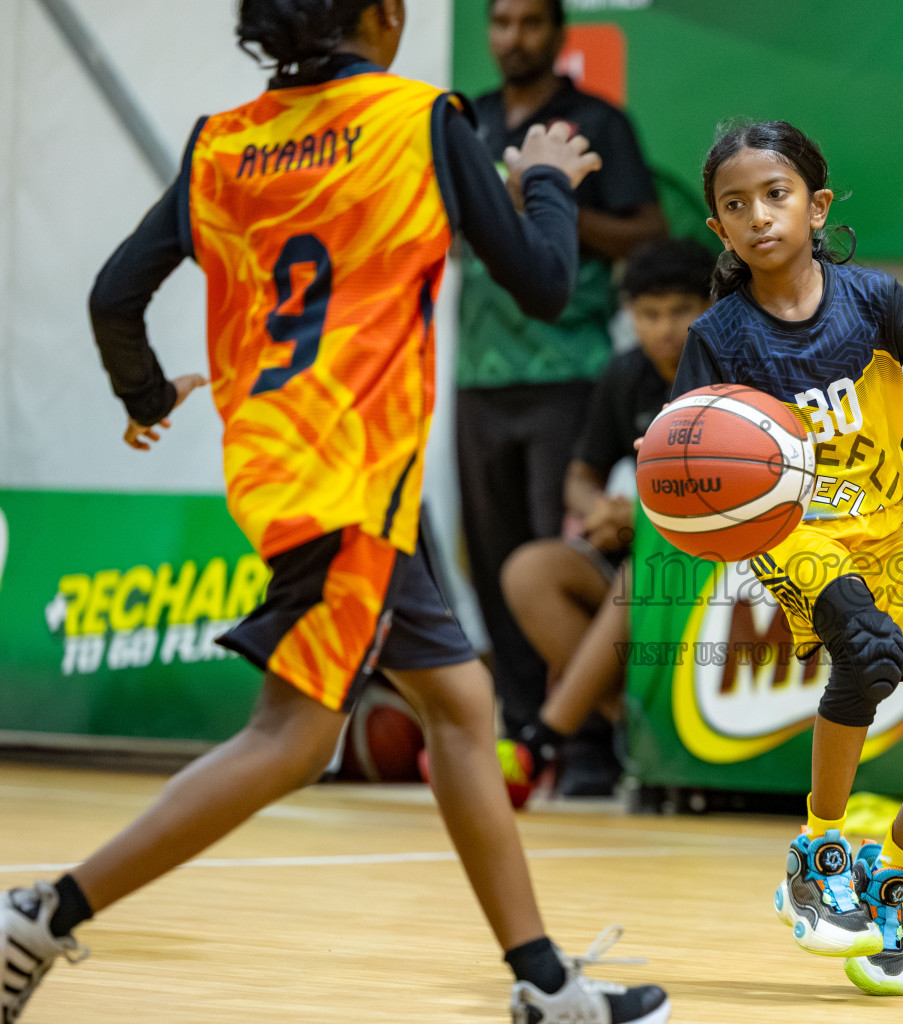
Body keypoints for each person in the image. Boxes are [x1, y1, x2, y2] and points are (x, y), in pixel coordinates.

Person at [1, 4, 669, 1023]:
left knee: (461, 707)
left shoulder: (222, 143)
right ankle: (44, 913)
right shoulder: (419, 119)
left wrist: (144, 396)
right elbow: (543, 282)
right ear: (384, 15)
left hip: (285, 471)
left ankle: (545, 985)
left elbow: (112, 297)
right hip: (352, 478)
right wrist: (546, 181)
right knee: (293, 739)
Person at [671, 121, 903, 997]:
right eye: (736, 205)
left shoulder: (870, 299)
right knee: (865, 651)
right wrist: (674, 478)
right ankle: (818, 850)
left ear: (818, 205)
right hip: (796, 532)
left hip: (895, 530)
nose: (759, 215)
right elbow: (683, 453)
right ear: (719, 228)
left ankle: (885, 882)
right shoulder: (719, 336)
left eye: (776, 194)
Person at [456, 0, 668, 740]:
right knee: (493, 565)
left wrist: (548, 199)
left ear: (558, 33)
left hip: (567, 368)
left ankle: (586, 747)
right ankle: (522, 737)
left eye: (530, 23)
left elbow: (649, 231)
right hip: (478, 373)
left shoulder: (597, 122)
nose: (513, 38)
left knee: (563, 555)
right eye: (501, 22)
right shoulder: (469, 120)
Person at [501, 238, 714, 797]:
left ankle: (541, 741)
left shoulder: (733, 373)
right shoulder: (625, 375)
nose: (664, 329)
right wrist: (597, 508)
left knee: (644, 572)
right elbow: (579, 476)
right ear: (629, 316)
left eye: (680, 312)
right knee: (529, 572)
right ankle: (636, 727)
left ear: (710, 309)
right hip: (637, 560)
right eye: (649, 314)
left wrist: (642, 522)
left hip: (711, 573)